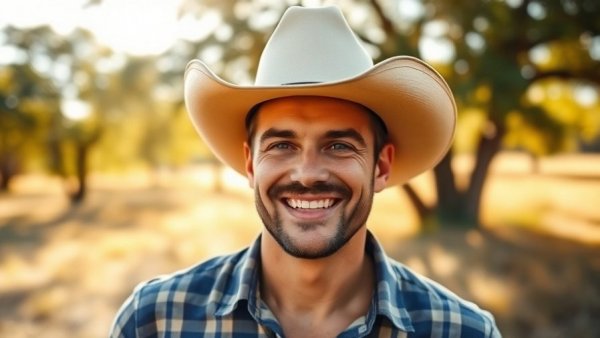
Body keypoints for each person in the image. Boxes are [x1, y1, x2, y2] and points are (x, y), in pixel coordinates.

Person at [110, 5, 501, 338]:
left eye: (339, 146)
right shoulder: (155, 321)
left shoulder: (461, 330)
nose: (308, 173)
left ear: (380, 167)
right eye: (282, 145)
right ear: (250, 164)